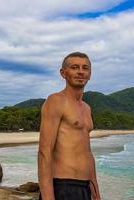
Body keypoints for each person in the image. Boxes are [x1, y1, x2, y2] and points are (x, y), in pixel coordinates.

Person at [38, 52, 101, 200]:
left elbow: (87, 154)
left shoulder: (87, 108)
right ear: (63, 73)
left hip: (84, 187)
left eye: (85, 68)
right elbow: (44, 152)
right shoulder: (56, 101)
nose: (80, 71)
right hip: (63, 186)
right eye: (74, 67)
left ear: (90, 74)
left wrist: (96, 195)